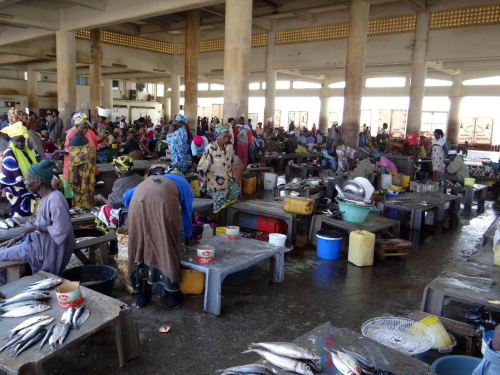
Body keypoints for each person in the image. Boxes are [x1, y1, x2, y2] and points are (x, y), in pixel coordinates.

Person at [127, 165, 193, 308]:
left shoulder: (153, 179)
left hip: (138, 199)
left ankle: (142, 296)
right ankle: (172, 297)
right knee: (167, 243)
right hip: (163, 200)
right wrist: (187, 237)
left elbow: (126, 198)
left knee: (142, 244)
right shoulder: (184, 184)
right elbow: (187, 214)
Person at [0, 160, 75, 285]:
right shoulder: (45, 198)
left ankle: (8, 288)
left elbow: (62, 231)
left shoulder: (55, 200)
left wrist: (33, 228)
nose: (25, 183)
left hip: (42, 250)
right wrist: (17, 238)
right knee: (4, 248)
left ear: (37, 182)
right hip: (35, 243)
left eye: (27, 180)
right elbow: (39, 227)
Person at [198, 124, 240, 223]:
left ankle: (226, 222)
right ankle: (216, 224)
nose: (226, 138)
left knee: (235, 190)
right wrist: (201, 178)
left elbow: (231, 161)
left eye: (228, 136)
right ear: (218, 134)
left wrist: (233, 176)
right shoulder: (211, 148)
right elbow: (202, 165)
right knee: (218, 202)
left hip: (228, 178)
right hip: (215, 182)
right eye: (224, 136)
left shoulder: (229, 147)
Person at [0, 120, 40, 217]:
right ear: (11, 140)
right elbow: (10, 175)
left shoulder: (27, 151)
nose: (19, 143)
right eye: (16, 141)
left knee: (33, 214)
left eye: (21, 140)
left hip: (30, 188)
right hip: (18, 192)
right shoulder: (9, 154)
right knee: (20, 215)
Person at [94, 156, 144, 231]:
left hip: (128, 215)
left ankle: (112, 236)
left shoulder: (120, 183)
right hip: (141, 210)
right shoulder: (141, 178)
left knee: (102, 210)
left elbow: (111, 204)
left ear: (118, 171)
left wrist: (100, 197)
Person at [67, 114, 97, 209]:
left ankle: (87, 212)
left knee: (87, 196)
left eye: (86, 128)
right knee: (81, 197)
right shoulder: (75, 139)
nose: (85, 130)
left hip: (87, 173)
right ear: (76, 127)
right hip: (80, 175)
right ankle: (82, 217)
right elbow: (75, 161)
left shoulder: (83, 138)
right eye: (82, 128)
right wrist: (75, 177)